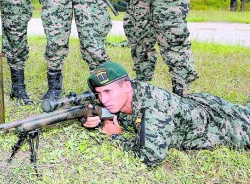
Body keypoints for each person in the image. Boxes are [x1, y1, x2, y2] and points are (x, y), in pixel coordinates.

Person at [83, 61, 250, 167]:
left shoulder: (152, 109)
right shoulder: (130, 92)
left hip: (226, 125)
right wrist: (91, 118)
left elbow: (150, 157)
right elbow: (98, 108)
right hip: (197, 104)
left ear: (126, 86)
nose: (104, 99)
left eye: (108, 91)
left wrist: (115, 137)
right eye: (99, 93)